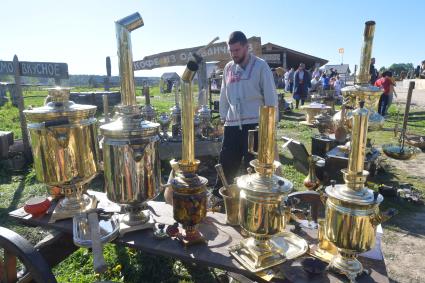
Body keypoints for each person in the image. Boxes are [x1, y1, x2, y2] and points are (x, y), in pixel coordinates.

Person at [213, 31, 278, 199]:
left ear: (246, 47)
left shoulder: (260, 66)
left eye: (237, 50)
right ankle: (220, 198)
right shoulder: (228, 68)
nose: (234, 54)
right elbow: (223, 94)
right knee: (226, 163)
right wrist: (223, 118)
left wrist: (271, 126)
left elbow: (270, 97)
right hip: (232, 124)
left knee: (254, 167)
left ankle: (253, 201)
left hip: (256, 124)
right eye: (231, 51)